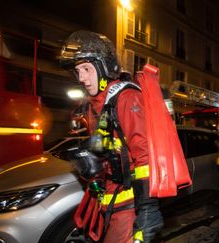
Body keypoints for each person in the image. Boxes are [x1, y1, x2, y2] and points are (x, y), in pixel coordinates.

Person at [59, 30, 163, 243]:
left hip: (130, 202)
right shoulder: (94, 104)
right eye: (77, 71)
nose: (81, 78)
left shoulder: (127, 99)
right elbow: (109, 142)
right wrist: (92, 159)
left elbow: (145, 157)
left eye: (86, 69)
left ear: (103, 67)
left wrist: (148, 210)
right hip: (108, 199)